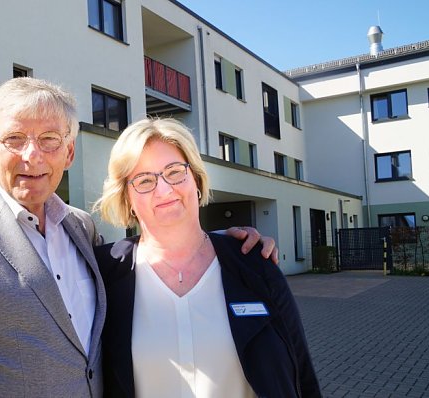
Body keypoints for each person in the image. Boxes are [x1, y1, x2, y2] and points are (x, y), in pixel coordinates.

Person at [0, 78, 275, 397]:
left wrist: (223, 245)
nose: (33, 155)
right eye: (14, 138)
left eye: (49, 140)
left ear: (70, 152)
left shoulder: (80, 228)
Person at [94, 118, 320, 397]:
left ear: (196, 179)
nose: (164, 190)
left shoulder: (253, 263)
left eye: (174, 172)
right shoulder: (104, 275)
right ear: (127, 198)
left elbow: (302, 375)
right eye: (144, 180)